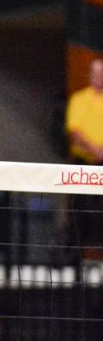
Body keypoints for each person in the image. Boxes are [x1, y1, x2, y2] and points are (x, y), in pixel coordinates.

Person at [66, 58, 103, 257]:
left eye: (102, 73)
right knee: (80, 207)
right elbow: (74, 131)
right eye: (96, 73)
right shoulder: (79, 100)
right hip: (83, 165)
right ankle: (75, 250)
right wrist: (94, 150)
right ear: (90, 75)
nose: (99, 77)